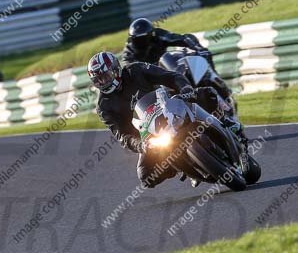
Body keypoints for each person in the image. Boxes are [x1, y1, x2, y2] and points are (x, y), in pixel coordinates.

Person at [89, 51, 246, 189]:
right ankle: (182, 166)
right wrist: (140, 144)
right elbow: (122, 136)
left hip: (172, 105)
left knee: (207, 93)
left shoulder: (135, 70)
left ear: (116, 70)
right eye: (98, 80)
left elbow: (171, 76)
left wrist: (185, 89)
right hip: (151, 133)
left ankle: (228, 122)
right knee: (145, 176)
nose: (103, 82)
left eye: (105, 76)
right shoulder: (104, 106)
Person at [122, 17, 213, 67]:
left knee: (204, 56)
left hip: (170, 69)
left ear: (150, 35)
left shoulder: (158, 35)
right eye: (138, 40)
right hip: (152, 81)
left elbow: (184, 38)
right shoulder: (129, 52)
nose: (141, 42)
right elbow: (131, 71)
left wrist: (198, 47)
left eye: (144, 38)